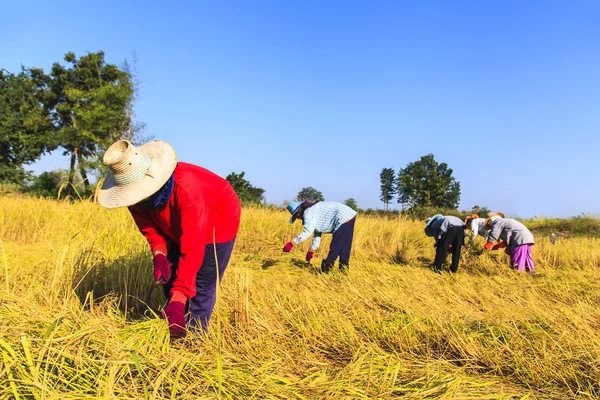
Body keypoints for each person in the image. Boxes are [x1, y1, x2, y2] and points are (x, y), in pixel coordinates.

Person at [98, 140, 241, 338]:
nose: (139, 201)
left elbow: (193, 247)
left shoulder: (187, 190)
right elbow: (149, 228)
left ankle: (194, 339)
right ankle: (175, 321)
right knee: (170, 276)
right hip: (176, 220)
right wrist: (159, 253)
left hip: (217, 219)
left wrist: (180, 296)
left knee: (202, 285)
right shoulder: (134, 197)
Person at [283, 200, 357, 274]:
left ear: (299, 213)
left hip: (342, 216)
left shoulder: (308, 213)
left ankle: (326, 270)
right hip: (349, 215)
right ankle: (343, 271)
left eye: (296, 216)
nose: (298, 218)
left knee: (336, 246)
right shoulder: (314, 211)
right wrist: (312, 250)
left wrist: (291, 243)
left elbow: (307, 232)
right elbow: (317, 233)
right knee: (345, 246)